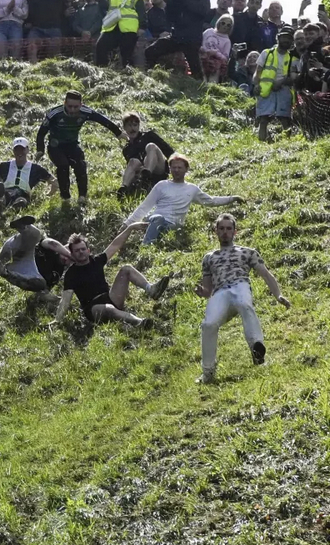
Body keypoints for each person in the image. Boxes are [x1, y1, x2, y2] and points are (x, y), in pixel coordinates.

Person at [196, 214, 290, 384]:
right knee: (208, 325)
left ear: (235, 232)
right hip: (220, 293)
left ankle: (257, 350)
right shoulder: (209, 257)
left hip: (240, 285)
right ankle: (207, 373)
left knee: (244, 304)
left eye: (228, 228)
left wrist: (278, 295)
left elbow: (266, 275)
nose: (225, 232)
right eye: (222, 228)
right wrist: (201, 292)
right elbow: (208, 290)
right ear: (216, 231)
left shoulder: (247, 252)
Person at [56, 224, 170, 328]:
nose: (81, 252)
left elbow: (115, 245)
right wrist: (57, 320)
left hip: (110, 297)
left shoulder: (96, 261)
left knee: (126, 269)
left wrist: (130, 228)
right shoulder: (71, 274)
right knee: (109, 309)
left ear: (88, 250)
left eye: (83, 249)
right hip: (93, 309)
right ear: (72, 254)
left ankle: (151, 290)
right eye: (77, 251)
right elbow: (65, 300)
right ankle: (140, 322)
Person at [123, 154, 243, 244]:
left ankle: (149, 243)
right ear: (170, 169)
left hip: (173, 225)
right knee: (157, 218)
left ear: (186, 169)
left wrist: (233, 198)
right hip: (154, 220)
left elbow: (211, 201)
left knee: (164, 222)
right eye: (173, 167)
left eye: (179, 168)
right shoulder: (162, 185)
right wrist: (127, 223)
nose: (176, 170)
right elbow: (145, 206)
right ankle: (147, 246)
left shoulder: (191, 189)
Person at [34, 90, 123, 204]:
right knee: (63, 166)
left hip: (72, 145)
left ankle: (82, 197)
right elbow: (41, 132)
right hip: (55, 146)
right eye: (70, 106)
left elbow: (102, 120)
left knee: (80, 165)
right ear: (64, 103)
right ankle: (65, 198)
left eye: (76, 107)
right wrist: (40, 150)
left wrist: (118, 133)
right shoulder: (55, 113)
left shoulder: (85, 111)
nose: (72, 110)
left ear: (81, 105)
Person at [145, 0, 210, 76]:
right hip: (176, 37)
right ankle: (151, 77)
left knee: (196, 72)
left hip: (192, 40)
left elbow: (202, 11)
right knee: (150, 51)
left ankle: (199, 89)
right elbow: (170, 17)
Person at [0, 215, 71, 299]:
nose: (66, 258)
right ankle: (22, 226)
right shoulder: (52, 248)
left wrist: (56, 299)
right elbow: (50, 243)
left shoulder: (58, 272)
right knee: (36, 234)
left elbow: (44, 291)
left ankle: (5, 272)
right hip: (21, 249)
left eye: (70, 259)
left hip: (25, 270)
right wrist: (70, 255)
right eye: (67, 253)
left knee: (41, 284)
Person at [253, 25, 298, 142]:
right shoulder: (266, 53)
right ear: (278, 38)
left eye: (289, 38)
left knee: (284, 118)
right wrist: (256, 85)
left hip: (284, 90)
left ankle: (288, 144)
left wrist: (281, 82)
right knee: (263, 119)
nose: (286, 40)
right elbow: (258, 71)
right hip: (266, 89)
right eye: (284, 37)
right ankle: (262, 142)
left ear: (292, 41)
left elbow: (293, 77)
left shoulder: (293, 58)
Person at [0, 137, 56, 217]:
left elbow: (54, 181)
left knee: (21, 201)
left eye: (22, 149)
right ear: (13, 151)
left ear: (27, 150)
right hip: (7, 192)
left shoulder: (35, 168)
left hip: (23, 195)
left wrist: (48, 194)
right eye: (17, 149)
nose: (19, 152)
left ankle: (10, 211)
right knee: (3, 195)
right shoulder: (5, 166)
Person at [94, 0, 146, 68]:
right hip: (112, 28)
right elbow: (103, 5)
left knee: (126, 56)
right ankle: (102, 72)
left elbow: (141, 12)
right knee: (100, 46)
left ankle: (128, 77)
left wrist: (142, 27)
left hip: (129, 30)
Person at [118, 113, 174, 197]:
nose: (132, 128)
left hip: (159, 168)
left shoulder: (148, 135)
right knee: (133, 161)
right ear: (125, 128)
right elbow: (132, 167)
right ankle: (124, 188)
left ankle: (146, 175)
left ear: (138, 126)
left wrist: (177, 167)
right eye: (129, 125)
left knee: (151, 146)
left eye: (135, 125)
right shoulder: (127, 149)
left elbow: (168, 150)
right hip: (141, 171)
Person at [201, 14, 234, 83]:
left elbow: (225, 58)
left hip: (215, 63)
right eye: (223, 23)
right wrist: (205, 51)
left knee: (216, 65)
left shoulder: (227, 41)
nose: (225, 26)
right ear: (219, 22)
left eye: (228, 25)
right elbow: (199, 42)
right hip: (202, 56)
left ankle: (211, 87)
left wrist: (216, 53)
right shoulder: (208, 31)